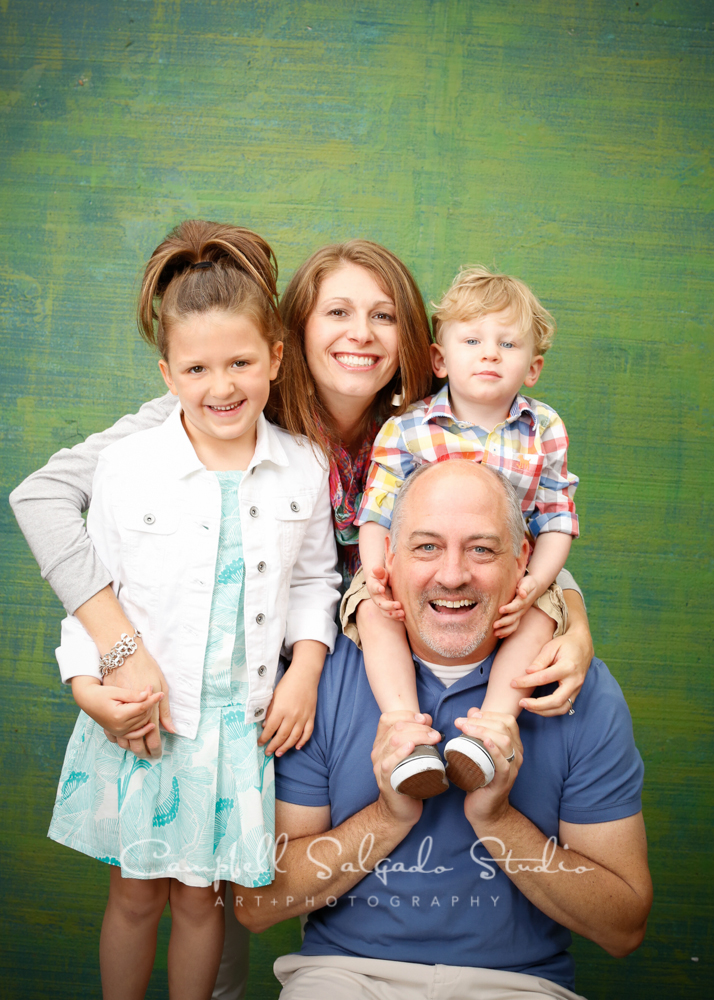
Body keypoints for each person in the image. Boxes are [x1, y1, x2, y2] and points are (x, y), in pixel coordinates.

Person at [9, 241, 595, 999]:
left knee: (232, 891)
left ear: (418, 342)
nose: (361, 333)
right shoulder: (204, 410)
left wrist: (567, 610)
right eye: (339, 312)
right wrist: (114, 655)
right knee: (197, 891)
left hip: (339, 694)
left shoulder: (431, 427)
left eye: (383, 315)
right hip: (215, 689)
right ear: (295, 334)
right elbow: (47, 503)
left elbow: (499, 534)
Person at [46, 220, 342, 999]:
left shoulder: (302, 470)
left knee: (202, 899)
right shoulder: (126, 467)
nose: (224, 386)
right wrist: (90, 688)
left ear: (276, 358)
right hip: (144, 721)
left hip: (236, 728)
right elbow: (91, 595)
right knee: (136, 892)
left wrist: (305, 670)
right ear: (168, 374)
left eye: (242, 362)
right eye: (199, 367)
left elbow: (317, 582)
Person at [234, 460, 652, 1000]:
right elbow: (254, 904)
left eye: (481, 549)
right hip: (342, 976)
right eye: (426, 547)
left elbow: (624, 927)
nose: (452, 575)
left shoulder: (578, 689)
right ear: (387, 560)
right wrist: (388, 815)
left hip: (517, 984)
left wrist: (497, 819)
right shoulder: (321, 682)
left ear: (524, 559)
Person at [352, 267, 580, 797]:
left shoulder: (543, 428)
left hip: (512, 569)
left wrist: (534, 582)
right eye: (473, 340)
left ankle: (490, 731)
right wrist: (379, 572)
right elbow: (377, 513)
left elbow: (557, 518)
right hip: (411, 568)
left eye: (508, 343)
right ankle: (407, 731)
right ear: (440, 358)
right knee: (368, 607)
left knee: (538, 614)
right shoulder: (407, 428)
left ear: (533, 367)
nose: (490, 354)